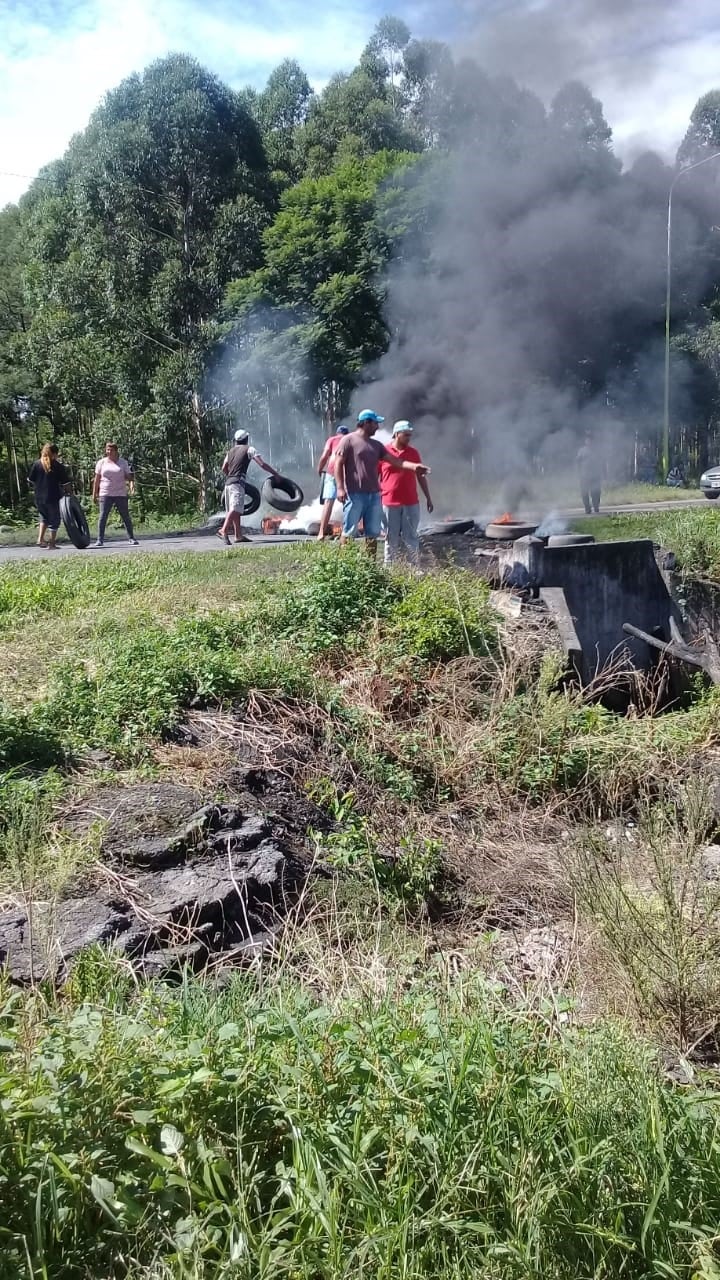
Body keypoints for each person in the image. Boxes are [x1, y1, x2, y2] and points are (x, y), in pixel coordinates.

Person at [334, 410, 430, 559]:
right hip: (355, 494)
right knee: (349, 531)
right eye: (375, 423)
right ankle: (344, 565)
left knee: (372, 533)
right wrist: (340, 488)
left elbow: (396, 461)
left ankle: (370, 567)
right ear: (366, 422)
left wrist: (414, 467)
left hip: (374, 496)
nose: (377, 427)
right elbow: (338, 464)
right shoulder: (348, 440)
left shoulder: (377, 445)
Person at [379, 420, 433, 564]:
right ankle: (389, 567)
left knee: (411, 536)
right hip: (390, 502)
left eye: (410, 435)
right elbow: (375, 477)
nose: (409, 438)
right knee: (391, 537)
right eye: (406, 435)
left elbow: (420, 476)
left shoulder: (413, 453)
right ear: (396, 434)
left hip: (410, 502)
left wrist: (428, 497)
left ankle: (414, 568)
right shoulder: (384, 452)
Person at [217, 429, 281, 545]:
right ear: (246, 439)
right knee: (235, 508)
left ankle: (238, 535)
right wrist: (275, 473)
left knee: (236, 509)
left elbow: (223, 468)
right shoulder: (249, 449)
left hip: (229, 483)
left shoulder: (230, 451)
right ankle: (223, 530)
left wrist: (231, 475)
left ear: (236, 440)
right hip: (237, 483)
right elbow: (262, 464)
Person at [92, 441, 138, 546]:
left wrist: (131, 485)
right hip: (105, 493)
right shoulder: (101, 463)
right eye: (107, 449)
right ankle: (100, 539)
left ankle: (131, 538)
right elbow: (97, 479)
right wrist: (94, 494)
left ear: (116, 451)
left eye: (111, 450)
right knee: (103, 516)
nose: (109, 452)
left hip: (120, 493)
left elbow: (130, 477)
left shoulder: (123, 463)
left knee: (125, 516)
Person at [27, 443, 70, 549]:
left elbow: (30, 480)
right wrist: (70, 494)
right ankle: (52, 543)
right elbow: (66, 484)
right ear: (54, 454)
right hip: (53, 496)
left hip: (39, 497)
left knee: (43, 518)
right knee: (54, 520)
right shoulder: (58, 466)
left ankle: (40, 540)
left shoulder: (37, 464)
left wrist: (39, 486)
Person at [316, 424, 349, 540]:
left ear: (337, 433)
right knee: (348, 503)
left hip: (331, 471)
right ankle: (346, 533)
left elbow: (325, 456)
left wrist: (319, 469)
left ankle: (321, 533)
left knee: (328, 502)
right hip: (346, 474)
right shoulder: (350, 439)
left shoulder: (332, 440)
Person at [577, 431, 601, 515]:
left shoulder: (597, 450)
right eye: (587, 439)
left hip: (595, 475)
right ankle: (587, 509)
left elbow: (601, 462)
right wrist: (579, 473)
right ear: (585, 441)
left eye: (590, 440)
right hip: (584, 475)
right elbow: (578, 463)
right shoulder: (581, 451)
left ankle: (596, 507)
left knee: (596, 492)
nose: (589, 441)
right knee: (584, 493)